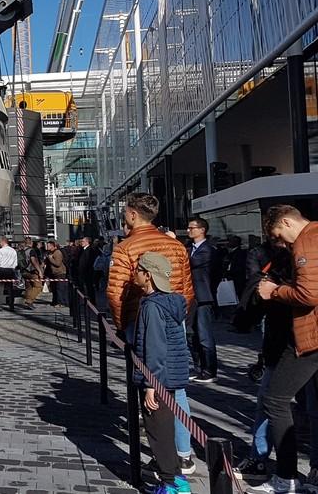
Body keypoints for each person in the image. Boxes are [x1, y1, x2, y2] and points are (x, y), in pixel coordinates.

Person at [107, 192, 195, 475]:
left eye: (125, 213)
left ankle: (163, 456)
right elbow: (187, 286)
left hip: (140, 317)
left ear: (132, 215)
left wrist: (121, 325)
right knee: (177, 387)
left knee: (150, 384)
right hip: (174, 313)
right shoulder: (176, 245)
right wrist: (181, 313)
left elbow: (117, 292)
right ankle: (184, 452)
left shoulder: (126, 248)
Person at [251, 205, 318, 493]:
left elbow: (309, 293)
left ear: (288, 222)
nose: (282, 244)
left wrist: (274, 291)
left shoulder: (306, 240)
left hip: (311, 336)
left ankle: (287, 477)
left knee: (275, 400)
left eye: (280, 236)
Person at [132, 251, 193, 494]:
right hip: (171, 374)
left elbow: (155, 347)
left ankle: (171, 483)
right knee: (164, 429)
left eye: (137, 270)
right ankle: (174, 479)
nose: (134, 274)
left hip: (158, 377)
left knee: (158, 432)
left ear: (148, 276)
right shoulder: (173, 301)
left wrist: (150, 384)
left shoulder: (153, 307)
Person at [185, 217, 220, 383]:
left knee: (204, 335)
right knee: (191, 334)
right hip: (190, 296)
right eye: (189, 228)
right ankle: (199, 368)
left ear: (202, 230)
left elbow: (191, 262)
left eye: (192, 228)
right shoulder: (189, 248)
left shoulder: (208, 250)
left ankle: (209, 370)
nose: (189, 231)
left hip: (203, 297)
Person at [0, 236, 19, 308]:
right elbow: (16, 262)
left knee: (0, 288)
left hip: (2, 270)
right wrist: (13, 268)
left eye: (0, 242)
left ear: (3, 241)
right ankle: (11, 305)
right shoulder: (13, 251)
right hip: (10, 270)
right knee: (10, 288)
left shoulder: (1, 251)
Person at [46, 240, 68, 307]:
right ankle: (55, 301)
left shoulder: (57, 252)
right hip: (54, 273)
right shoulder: (50, 253)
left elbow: (58, 263)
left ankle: (61, 303)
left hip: (60, 273)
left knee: (60, 288)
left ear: (53, 246)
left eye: (48, 246)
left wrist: (50, 259)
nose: (47, 247)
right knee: (54, 288)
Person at [227, 235, 249, 301]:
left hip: (238, 278)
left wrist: (231, 273)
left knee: (239, 295)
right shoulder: (230, 253)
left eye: (230, 241)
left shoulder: (240, 253)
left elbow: (239, 267)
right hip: (234, 278)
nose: (228, 243)